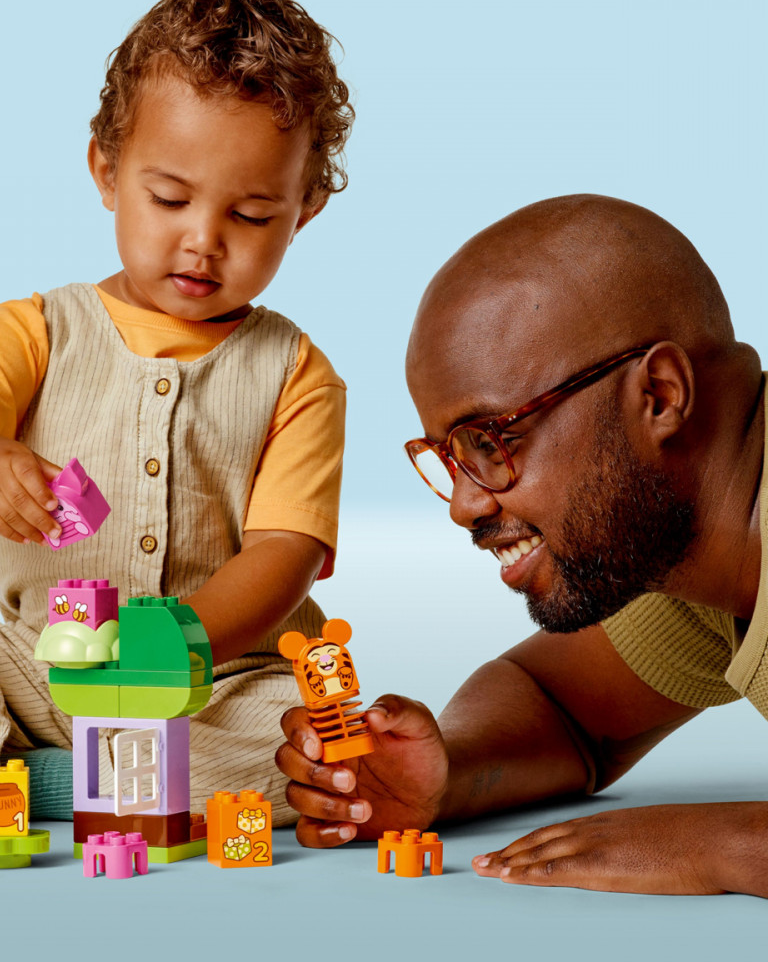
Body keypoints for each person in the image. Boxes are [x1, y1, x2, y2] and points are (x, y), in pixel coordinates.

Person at [0, 0, 352, 837]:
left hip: (216, 685)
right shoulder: (39, 329)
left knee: (312, 751)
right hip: (43, 670)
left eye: (251, 215)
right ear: (107, 171)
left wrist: (176, 647)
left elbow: (286, 554)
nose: (203, 239)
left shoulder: (297, 374)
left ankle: (35, 783)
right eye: (169, 199)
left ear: (304, 211)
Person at [277, 194, 767, 897]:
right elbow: (561, 705)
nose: (465, 506)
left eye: (491, 440)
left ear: (659, 396)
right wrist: (444, 771)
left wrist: (728, 844)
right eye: (449, 459)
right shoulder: (696, 558)